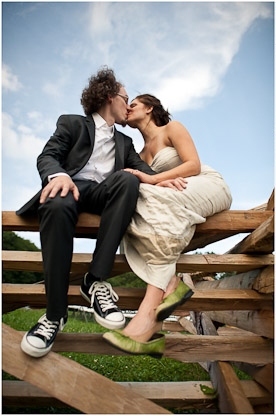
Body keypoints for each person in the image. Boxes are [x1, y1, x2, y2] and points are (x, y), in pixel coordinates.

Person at [16, 67, 160, 358]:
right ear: (110, 96)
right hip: (68, 187)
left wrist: (169, 179)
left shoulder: (125, 142)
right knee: (57, 203)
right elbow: (48, 155)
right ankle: (54, 316)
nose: (128, 106)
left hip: (102, 194)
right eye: (126, 98)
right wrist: (57, 175)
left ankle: (95, 280)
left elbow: (145, 172)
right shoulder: (72, 123)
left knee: (129, 178)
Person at [101, 94, 232, 356]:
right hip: (170, 196)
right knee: (130, 210)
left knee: (146, 194)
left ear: (150, 108)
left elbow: (192, 165)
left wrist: (153, 179)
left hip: (204, 184)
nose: (127, 108)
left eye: (133, 104)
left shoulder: (172, 128)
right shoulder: (136, 154)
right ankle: (165, 291)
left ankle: (153, 307)